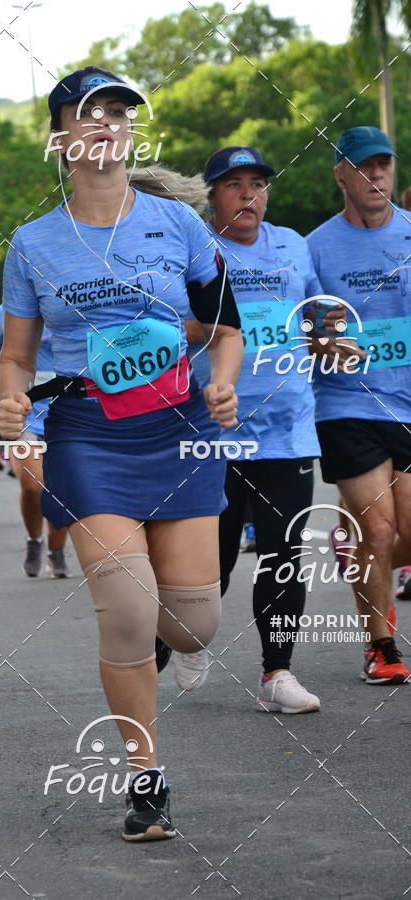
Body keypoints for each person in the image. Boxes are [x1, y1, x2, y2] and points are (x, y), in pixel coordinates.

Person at [0, 67, 242, 840]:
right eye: (89, 113)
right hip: (89, 434)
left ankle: (186, 644)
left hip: (176, 431)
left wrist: (223, 384)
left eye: (119, 113)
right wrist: (10, 404)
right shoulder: (33, 244)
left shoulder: (177, 225)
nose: (107, 123)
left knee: (194, 623)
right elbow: (17, 357)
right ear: (61, 137)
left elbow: (227, 325)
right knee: (129, 608)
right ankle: (147, 779)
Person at [181, 146, 323, 713]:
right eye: (234, 185)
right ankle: (187, 638)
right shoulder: (193, 249)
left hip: (288, 428)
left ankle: (278, 673)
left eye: (258, 184)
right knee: (208, 563)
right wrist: (219, 327)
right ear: (211, 196)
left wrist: (330, 337)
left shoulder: (292, 244)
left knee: (282, 554)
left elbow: (316, 310)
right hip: (210, 431)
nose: (248, 195)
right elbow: (170, 325)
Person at [307, 126, 411, 683]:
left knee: (404, 534)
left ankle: (364, 569)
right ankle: (381, 647)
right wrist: (332, 345)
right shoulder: (317, 247)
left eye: (384, 166)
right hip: (347, 404)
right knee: (378, 531)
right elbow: (315, 330)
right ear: (341, 174)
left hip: (408, 404)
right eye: (364, 167)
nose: (376, 176)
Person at [0, 304, 69, 577]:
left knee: (61, 489)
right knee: (32, 486)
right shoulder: (6, 312)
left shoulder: (75, 302)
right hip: (25, 412)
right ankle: (35, 541)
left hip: (68, 413)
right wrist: (17, 370)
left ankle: (56, 551)